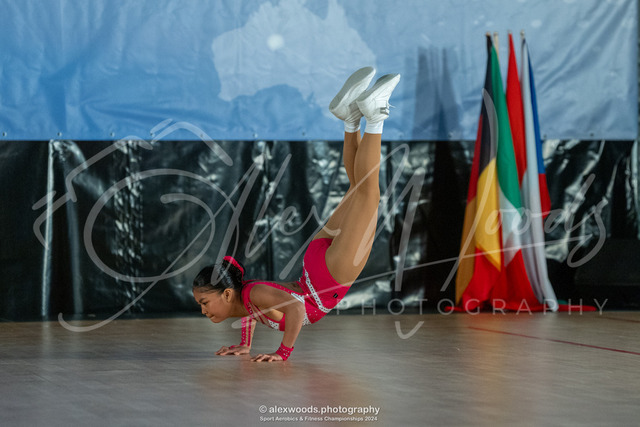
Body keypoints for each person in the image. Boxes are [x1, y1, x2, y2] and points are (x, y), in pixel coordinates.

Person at [192, 67, 401, 362]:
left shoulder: (252, 294)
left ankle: (374, 116)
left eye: (204, 302)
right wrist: (244, 344)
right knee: (358, 189)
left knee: (367, 193)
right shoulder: (247, 297)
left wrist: (283, 352)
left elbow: (297, 308)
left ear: (226, 294)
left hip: (326, 279)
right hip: (315, 270)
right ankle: (351, 118)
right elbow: (250, 313)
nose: (203, 310)